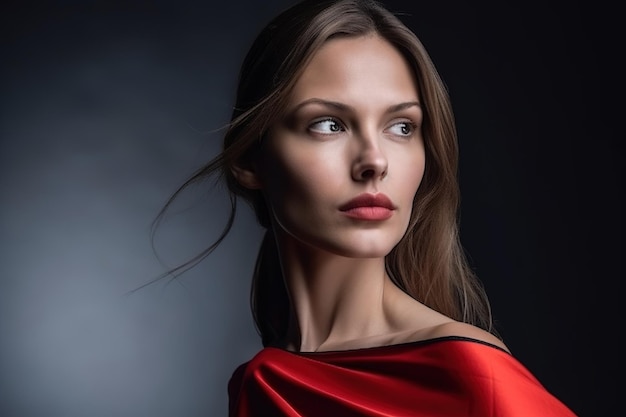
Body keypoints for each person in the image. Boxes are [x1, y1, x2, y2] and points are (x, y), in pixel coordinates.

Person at [155, 0, 578, 415]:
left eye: (401, 127)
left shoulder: (470, 377)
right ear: (250, 161)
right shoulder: (262, 384)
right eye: (328, 124)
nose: (374, 161)